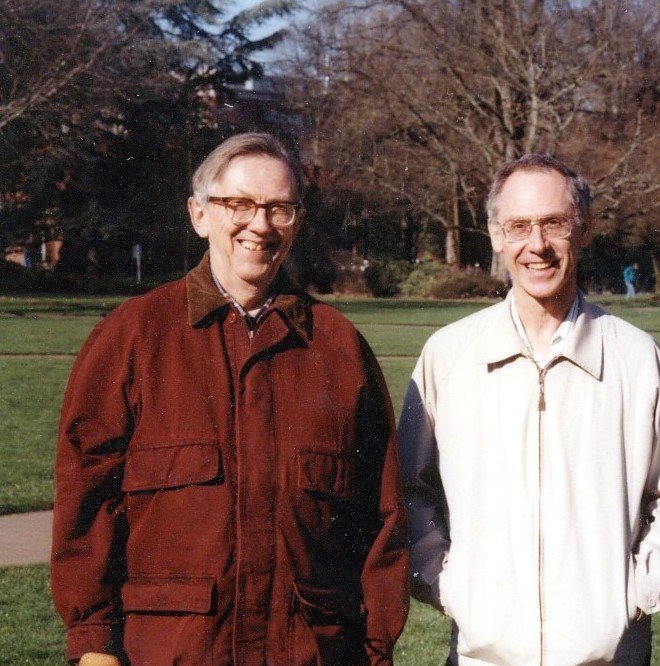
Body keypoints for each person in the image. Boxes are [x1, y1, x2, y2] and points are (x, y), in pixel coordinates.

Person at [51, 133, 409, 666]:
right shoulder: (132, 337)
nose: (259, 225)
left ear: (297, 221)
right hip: (169, 653)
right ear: (199, 215)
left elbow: (381, 522)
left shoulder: (339, 350)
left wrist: (375, 653)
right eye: (239, 204)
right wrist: (94, 645)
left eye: (279, 209)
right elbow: (86, 501)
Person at [399, 154, 660, 665]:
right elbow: (409, 489)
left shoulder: (634, 357)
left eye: (554, 224)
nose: (536, 245)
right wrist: (445, 582)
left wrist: (637, 591)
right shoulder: (449, 355)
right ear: (496, 235)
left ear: (582, 232)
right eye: (518, 226)